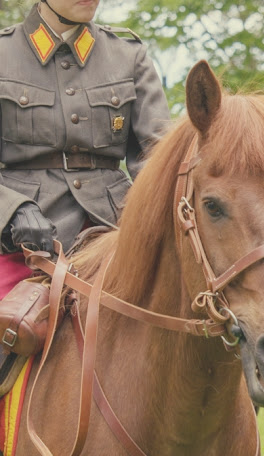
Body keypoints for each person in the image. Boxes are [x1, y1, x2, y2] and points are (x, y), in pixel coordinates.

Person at [0, 0, 169, 361]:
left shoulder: (128, 56)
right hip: (23, 240)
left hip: (115, 229)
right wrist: (12, 210)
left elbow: (159, 160)